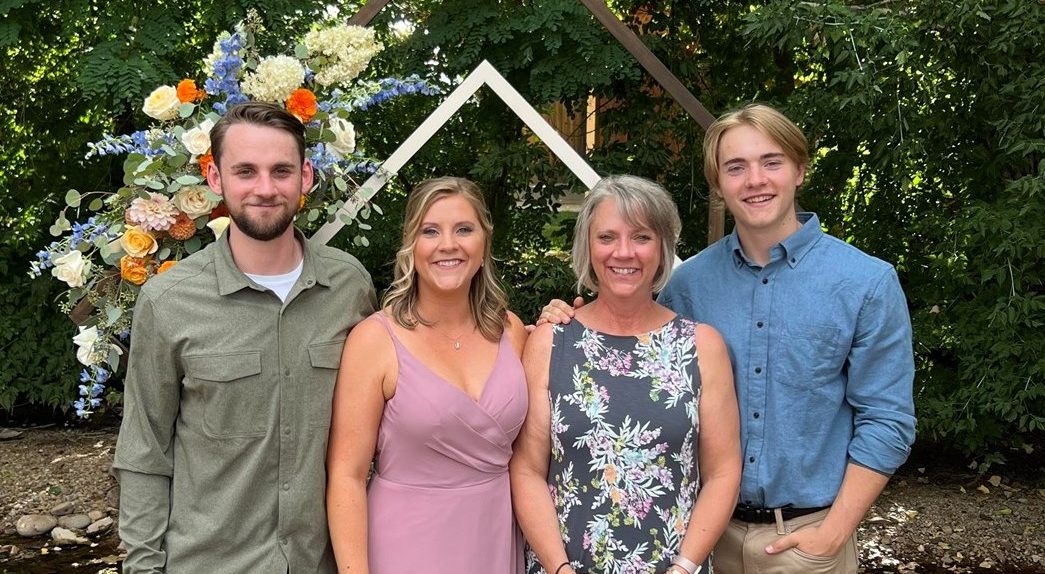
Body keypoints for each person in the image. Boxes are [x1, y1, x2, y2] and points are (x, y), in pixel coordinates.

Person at [541, 105, 917, 573]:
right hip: (703, 542)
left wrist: (834, 532)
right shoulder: (689, 285)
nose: (754, 179)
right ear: (718, 185)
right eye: (735, 167)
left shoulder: (865, 284)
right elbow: (634, 360)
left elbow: (887, 421)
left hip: (806, 540)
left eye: (771, 162)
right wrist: (569, 318)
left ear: (800, 169)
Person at [112, 102, 377, 574]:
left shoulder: (350, 288)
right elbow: (144, 452)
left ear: (306, 177)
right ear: (215, 179)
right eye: (245, 171)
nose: (265, 188)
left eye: (281, 171)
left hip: (323, 563)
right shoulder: (168, 301)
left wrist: (535, 330)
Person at [512, 175, 741, 574]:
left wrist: (684, 567)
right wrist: (559, 568)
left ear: (663, 247)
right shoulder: (551, 342)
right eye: (607, 237)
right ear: (587, 246)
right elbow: (528, 469)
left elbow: (722, 471)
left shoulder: (702, 346)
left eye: (641, 237)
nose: (624, 252)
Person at [326, 177, 529, 573]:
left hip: (494, 538)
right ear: (411, 247)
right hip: (405, 545)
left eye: (464, 230)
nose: (448, 244)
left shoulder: (512, 331)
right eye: (430, 231)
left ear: (484, 244)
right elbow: (346, 475)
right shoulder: (375, 340)